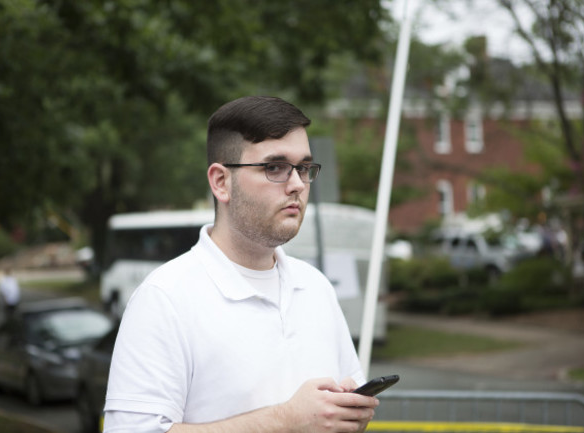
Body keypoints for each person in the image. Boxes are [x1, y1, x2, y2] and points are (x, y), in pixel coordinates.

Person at [103, 96, 379, 432]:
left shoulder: (316, 287)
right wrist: (287, 420)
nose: (296, 185)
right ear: (221, 182)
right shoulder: (165, 298)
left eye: (304, 168)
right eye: (274, 167)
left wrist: (347, 414)